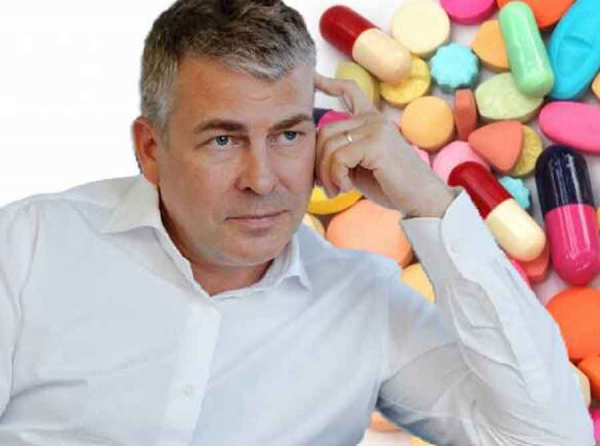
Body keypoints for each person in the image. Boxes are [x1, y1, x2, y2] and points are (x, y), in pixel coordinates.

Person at [0, 0, 593, 444]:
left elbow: (549, 439)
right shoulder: (28, 244)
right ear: (150, 149)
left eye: (287, 135)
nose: (262, 180)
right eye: (223, 139)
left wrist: (430, 203)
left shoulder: (367, 302)